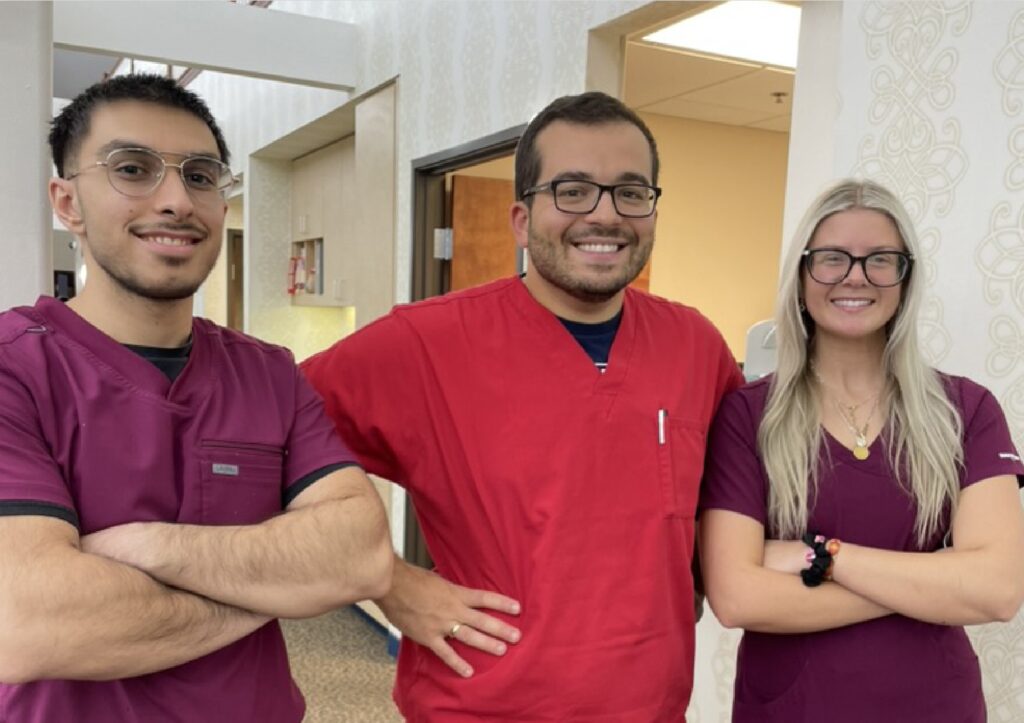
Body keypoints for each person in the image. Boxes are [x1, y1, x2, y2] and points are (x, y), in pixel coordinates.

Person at [301, 91, 743, 721]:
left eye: (630, 192)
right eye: (572, 191)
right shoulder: (424, 343)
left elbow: (741, 487)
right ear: (520, 219)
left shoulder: (695, 347)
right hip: (479, 705)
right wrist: (388, 581)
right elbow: (270, 438)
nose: (605, 214)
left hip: (650, 705)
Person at [0, 74, 393, 722]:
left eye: (202, 176)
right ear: (67, 202)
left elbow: (360, 555)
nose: (177, 201)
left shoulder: (268, 373)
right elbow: (27, 621)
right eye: (133, 169)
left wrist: (150, 547)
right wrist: (278, 584)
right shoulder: (17, 368)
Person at [698, 179, 1024, 722]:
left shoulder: (967, 411)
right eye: (831, 258)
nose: (855, 276)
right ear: (801, 275)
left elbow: (997, 590)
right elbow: (736, 598)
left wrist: (825, 557)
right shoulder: (748, 416)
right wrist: (932, 582)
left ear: (905, 278)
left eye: (880, 260)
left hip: (935, 707)